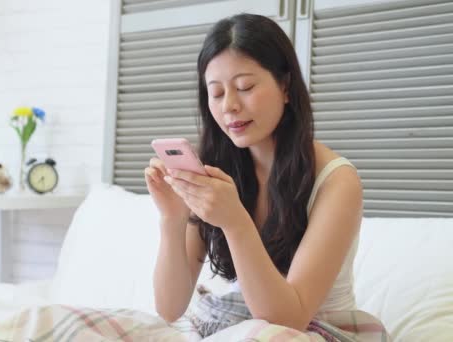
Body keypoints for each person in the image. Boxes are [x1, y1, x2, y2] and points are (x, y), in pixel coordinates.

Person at [145, 13, 363, 334]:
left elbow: (288, 321)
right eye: (216, 93)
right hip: (238, 325)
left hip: (311, 330)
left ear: (285, 86)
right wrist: (172, 219)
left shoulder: (336, 180)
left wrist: (235, 222)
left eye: (244, 87)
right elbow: (169, 307)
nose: (229, 106)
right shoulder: (219, 171)